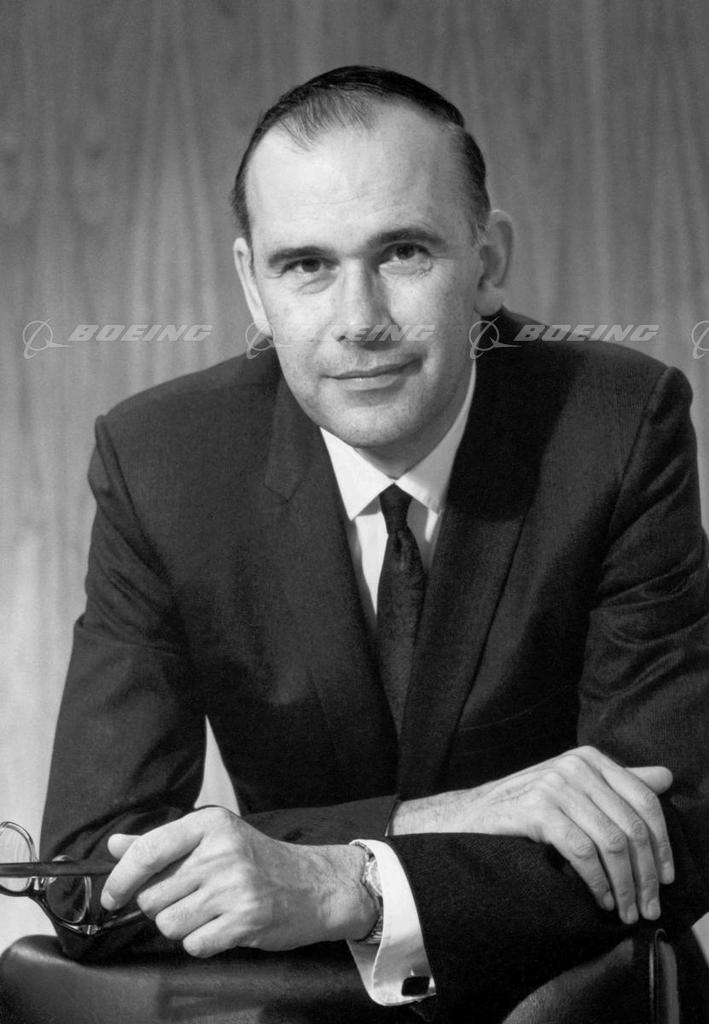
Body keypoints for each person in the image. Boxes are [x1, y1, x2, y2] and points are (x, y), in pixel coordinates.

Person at [40, 67, 709, 1019]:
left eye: (402, 251)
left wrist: (346, 883)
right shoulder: (163, 463)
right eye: (305, 265)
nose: (359, 321)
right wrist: (440, 822)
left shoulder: (614, 425)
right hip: (300, 1004)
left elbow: (675, 826)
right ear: (252, 285)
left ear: (487, 261)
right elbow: (85, 875)